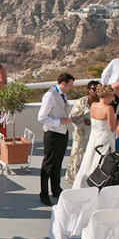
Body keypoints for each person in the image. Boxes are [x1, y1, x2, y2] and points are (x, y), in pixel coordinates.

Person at [37, 73, 74, 205]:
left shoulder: (62, 95)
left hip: (62, 133)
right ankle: (44, 193)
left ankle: (56, 188)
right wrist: (59, 121)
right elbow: (41, 117)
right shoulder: (50, 96)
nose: (71, 88)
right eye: (69, 85)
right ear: (63, 83)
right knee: (48, 164)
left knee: (58, 162)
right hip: (52, 134)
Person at [72, 85, 117, 189]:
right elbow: (112, 128)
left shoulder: (93, 105)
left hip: (94, 138)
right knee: (102, 164)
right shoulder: (109, 108)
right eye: (113, 96)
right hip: (105, 139)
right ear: (109, 96)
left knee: (89, 161)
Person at [66, 81, 100, 184]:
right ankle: (75, 178)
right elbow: (72, 117)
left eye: (98, 89)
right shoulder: (82, 102)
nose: (96, 91)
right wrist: (83, 121)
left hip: (94, 133)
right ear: (89, 90)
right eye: (94, 89)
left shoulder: (101, 101)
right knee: (78, 155)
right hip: (81, 133)